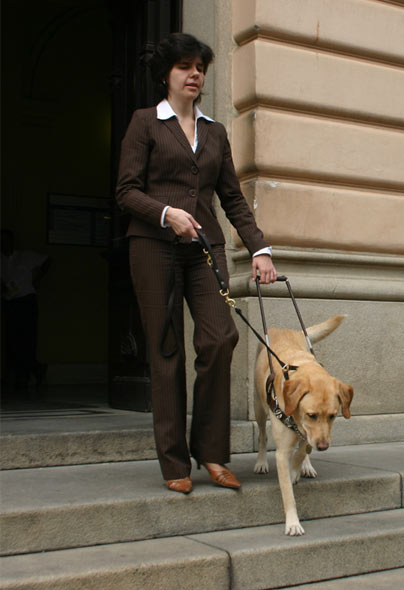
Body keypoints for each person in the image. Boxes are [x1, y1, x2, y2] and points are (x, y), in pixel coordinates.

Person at [116, 33, 277, 495]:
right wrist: (166, 213)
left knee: (220, 338)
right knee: (165, 351)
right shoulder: (145, 123)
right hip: (153, 246)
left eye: (200, 68)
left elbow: (231, 197)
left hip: (205, 249)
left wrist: (260, 248)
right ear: (166, 73)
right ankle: (174, 462)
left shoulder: (216, 132)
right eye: (185, 67)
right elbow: (126, 191)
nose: (194, 74)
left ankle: (210, 452)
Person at [1, 229, 49, 392]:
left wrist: (37, 279)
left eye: (6, 240)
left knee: (27, 339)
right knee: (12, 340)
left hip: (26, 300)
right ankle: (23, 373)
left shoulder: (25, 256)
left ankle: (27, 373)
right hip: (10, 301)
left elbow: (47, 261)